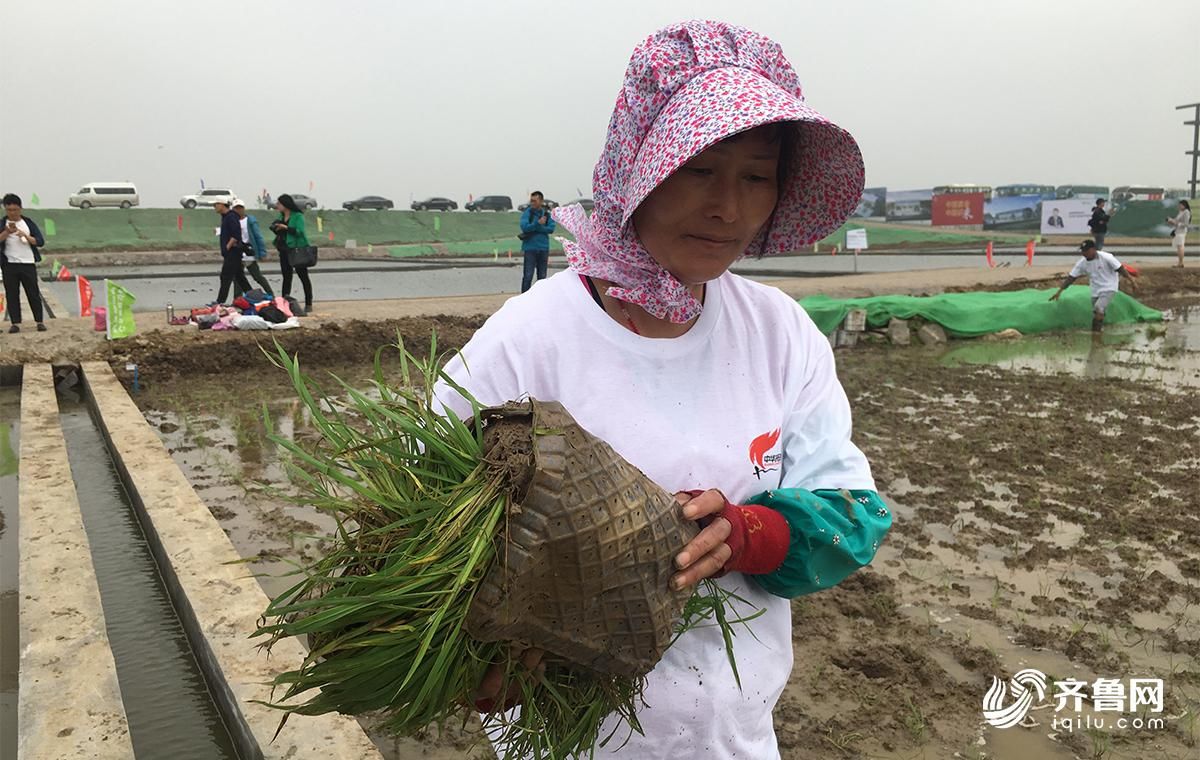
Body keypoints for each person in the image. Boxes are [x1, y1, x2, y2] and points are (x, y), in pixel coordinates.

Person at [435, 21, 891, 759]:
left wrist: (748, 533)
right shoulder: (525, 344)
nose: (730, 208)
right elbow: (427, 543)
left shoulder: (779, 333)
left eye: (756, 176)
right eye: (700, 168)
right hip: (568, 740)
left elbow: (855, 514)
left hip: (734, 736)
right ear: (636, 167)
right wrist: (470, 657)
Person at [1049, 239, 1138, 332]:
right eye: (1082, 251)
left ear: (1093, 249)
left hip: (1109, 286)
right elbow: (1071, 277)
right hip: (1095, 289)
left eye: (1086, 251)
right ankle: (1099, 330)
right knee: (1096, 311)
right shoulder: (1082, 263)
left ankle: (1096, 333)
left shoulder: (1107, 257)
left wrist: (1132, 282)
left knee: (1098, 307)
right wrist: (1059, 291)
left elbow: (1121, 269)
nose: (1084, 253)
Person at [0, 193, 47, 333]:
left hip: (27, 263)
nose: (12, 213)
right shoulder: (2, 223)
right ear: (5, 209)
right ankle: (16, 323)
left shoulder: (28, 223)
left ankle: (39, 321)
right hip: (9, 264)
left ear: (20, 208)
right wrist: (7, 232)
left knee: (33, 293)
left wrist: (25, 236)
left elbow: (39, 241)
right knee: (12, 294)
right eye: (9, 210)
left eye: (15, 209)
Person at [270, 194, 312, 313]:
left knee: (303, 276)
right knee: (286, 277)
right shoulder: (281, 216)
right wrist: (276, 228)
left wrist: (286, 228)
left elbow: (300, 232)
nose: (277, 206)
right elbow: (277, 229)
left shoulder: (298, 216)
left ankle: (308, 302)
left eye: (279, 204)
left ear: (285, 204)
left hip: (296, 249)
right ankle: (284, 302)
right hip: (284, 249)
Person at [232, 199, 274, 295]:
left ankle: (270, 294)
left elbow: (258, 236)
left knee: (257, 276)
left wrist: (262, 252)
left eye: (240, 208)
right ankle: (237, 298)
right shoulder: (232, 221)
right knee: (237, 277)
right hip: (237, 253)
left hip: (248, 252)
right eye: (236, 208)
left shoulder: (250, 221)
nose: (238, 210)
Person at [518, 191, 556, 292]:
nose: (532, 203)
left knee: (542, 277)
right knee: (528, 276)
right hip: (530, 248)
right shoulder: (527, 213)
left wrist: (537, 227)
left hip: (543, 248)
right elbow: (524, 227)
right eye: (531, 201)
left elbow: (551, 229)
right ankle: (524, 298)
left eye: (535, 201)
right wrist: (537, 224)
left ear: (541, 201)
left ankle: (541, 298)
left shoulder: (546, 214)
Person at [214, 199, 250, 304]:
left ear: (223, 205)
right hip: (230, 253)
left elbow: (235, 235)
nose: (214, 207)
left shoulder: (231, 217)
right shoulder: (225, 217)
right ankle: (254, 296)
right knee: (240, 277)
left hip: (233, 253)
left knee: (225, 277)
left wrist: (227, 247)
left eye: (216, 204)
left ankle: (220, 302)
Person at [1167, 199, 1191, 268]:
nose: (1179, 206)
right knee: (1179, 247)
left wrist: (1177, 223)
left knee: (1180, 246)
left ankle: (1180, 263)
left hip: (1181, 232)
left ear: (1185, 205)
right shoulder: (1181, 212)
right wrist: (1171, 220)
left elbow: (1186, 224)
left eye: (1181, 205)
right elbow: (1176, 221)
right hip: (1177, 231)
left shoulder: (1186, 212)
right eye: (1179, 205)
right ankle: (1180, 262)